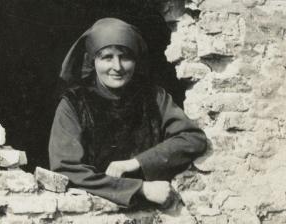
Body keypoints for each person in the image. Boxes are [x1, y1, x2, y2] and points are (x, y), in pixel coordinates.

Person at [48, 18, 207, 207]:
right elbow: (66, 169)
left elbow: (192, 138)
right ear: (93, 61)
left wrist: (136, 163)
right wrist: (139, 189)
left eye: (125, 56)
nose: (117, 67)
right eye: (107, 57)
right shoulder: (73, 104)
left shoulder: (153, 96)